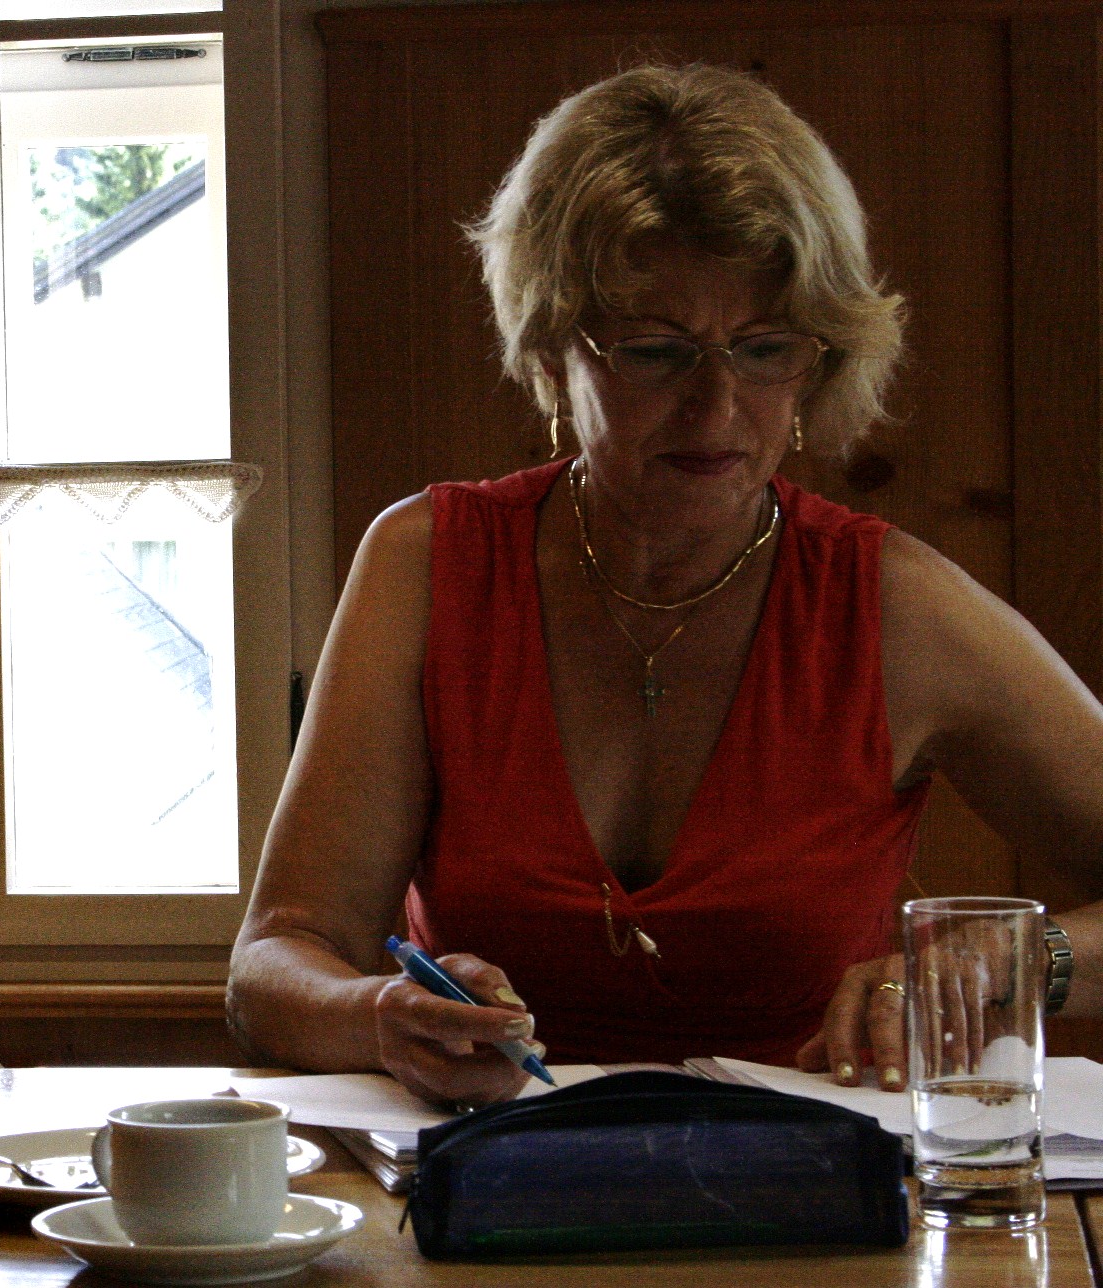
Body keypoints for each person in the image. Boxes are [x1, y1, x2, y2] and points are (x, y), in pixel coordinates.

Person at [229, 64, 1103, 1105]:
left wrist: (1014, 957)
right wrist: (380, 1015)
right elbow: (274, 963)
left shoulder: (894, 605)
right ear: (550, 354)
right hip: (487, 1174)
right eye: (655, 353)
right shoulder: (428, 564)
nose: (716, 407)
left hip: (811, 1181)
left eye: (765, 349)